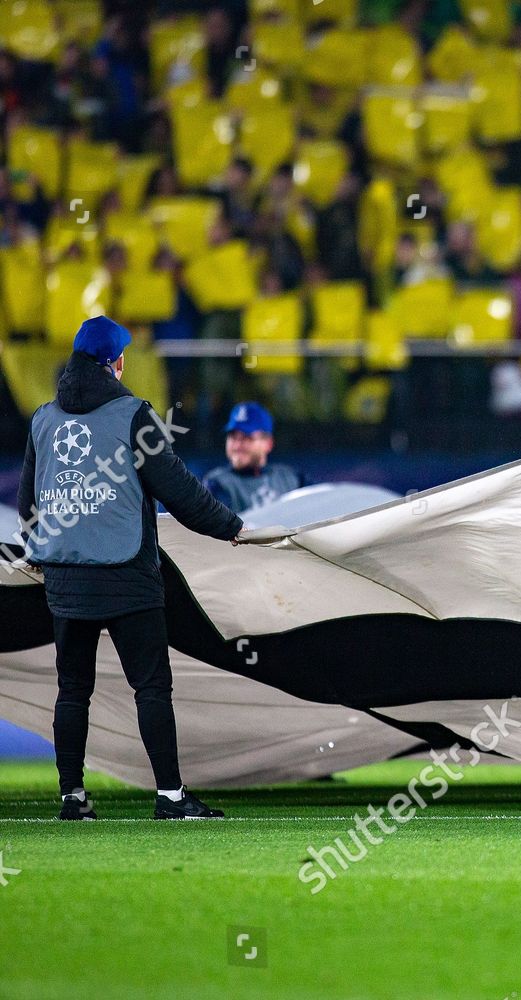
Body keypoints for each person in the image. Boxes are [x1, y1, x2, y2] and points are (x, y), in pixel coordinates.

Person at [15, 316, 244, 820]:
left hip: (66, 580)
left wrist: (43, 552)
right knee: (151, 687)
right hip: (127, 578)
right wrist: (229, 526)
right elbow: (180, 491)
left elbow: (28, 505)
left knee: (72, 690)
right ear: (116, 362)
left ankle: (73, 799)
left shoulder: (43, 420)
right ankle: (170, 798)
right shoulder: (133, 415)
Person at [203, 402, 304, 514]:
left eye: (247, 438)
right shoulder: (218, 484)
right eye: (233, 437)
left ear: (268, 443)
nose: (237, 445)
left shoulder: (290, 478)